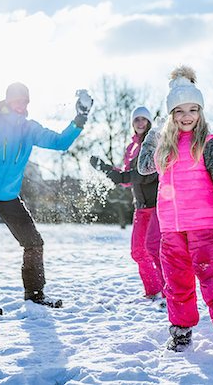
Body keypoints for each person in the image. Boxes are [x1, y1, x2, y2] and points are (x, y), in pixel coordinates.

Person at [137, 66, 213, 354]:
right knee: (177, 285)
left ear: (201, 111)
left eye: (193, 109)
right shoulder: (163, 147)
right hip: (171, 229)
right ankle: (181, 332)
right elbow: (143, 167)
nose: (187, 116)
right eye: (179, 111)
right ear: (170, 114)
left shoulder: (206, 143)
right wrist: (151, 137)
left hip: (205, 227)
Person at [0, 82, 93, 315]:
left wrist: (80, 117)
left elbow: (60, 142)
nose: (21, 105)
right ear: (7, 100)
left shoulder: (29, 129)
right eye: (16, 100)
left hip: (9, 197)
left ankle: (35, 295)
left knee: (34, 243)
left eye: (24, 101)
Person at [90, 106, 165, 303]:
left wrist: (123, 175)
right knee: (138, 251)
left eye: (143, 119)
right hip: (140, 206)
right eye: (136, 120)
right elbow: (126, 179)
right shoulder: (131, 149)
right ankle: (153, 290)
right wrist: (106, 169)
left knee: (154, 248)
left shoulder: (155, 141)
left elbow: (149, 173)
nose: (140, 123)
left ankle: (169, 292)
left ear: (149, 122)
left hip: (158, 204)